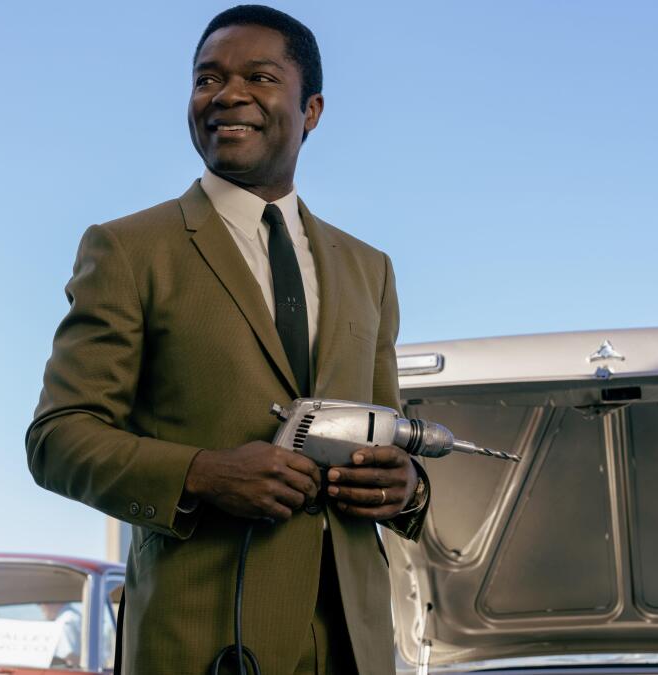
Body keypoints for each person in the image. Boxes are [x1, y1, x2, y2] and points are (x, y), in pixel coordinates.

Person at [25, 5, 430, 674]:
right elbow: (58, 437)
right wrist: (204, 473)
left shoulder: (371, 269)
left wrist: (407, 486)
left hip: (355, 646)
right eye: (207, 78)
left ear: (312, 110)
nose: (228, 94)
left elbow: (387, 430)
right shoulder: (129, 249)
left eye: (260, 77)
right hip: (201, 645)